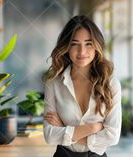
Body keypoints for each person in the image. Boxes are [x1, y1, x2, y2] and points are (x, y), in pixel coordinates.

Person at [43, 15, 121, 157]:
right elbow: (49, 135)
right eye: (74, 44)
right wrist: (93, 127)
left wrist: (64, 130)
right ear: (66, 46)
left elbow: (113, 136)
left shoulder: (111, 83)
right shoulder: (53, 83)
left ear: (97, 46)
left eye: (88, 43)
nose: (82, 52)